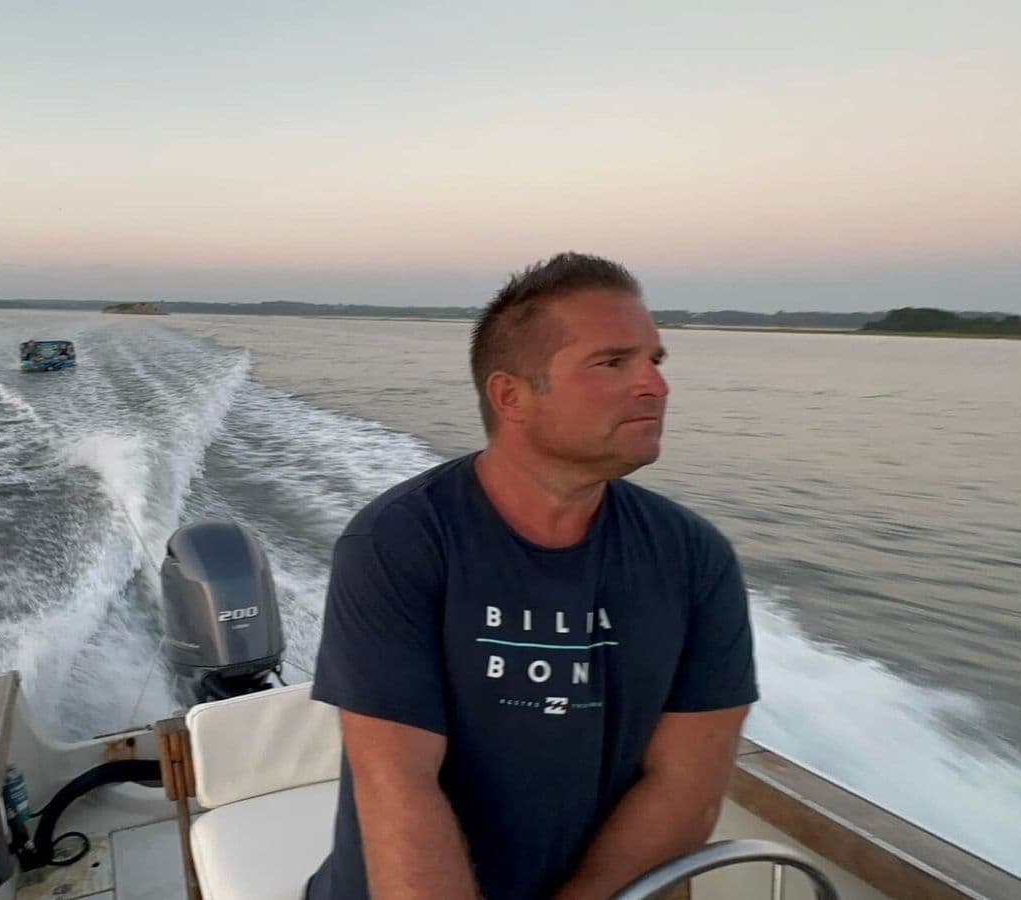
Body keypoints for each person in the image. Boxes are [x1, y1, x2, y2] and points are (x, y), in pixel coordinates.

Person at [305, 252, 757, 900]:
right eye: (612, 362)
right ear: (511, 395)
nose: (655, 386)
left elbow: (686, 787)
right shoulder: (398, 544)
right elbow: (399, 787)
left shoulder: (695, 558)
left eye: (654, 361)